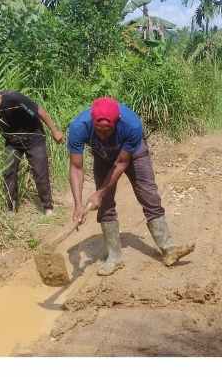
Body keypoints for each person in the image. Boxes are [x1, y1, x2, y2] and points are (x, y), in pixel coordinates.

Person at [67, 96, 194, 275]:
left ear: (117, 122)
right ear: (92, 123)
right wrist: (78, 205)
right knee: (105, 206)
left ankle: (169, 249)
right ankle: (115, 257)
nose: (103, 135)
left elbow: (121, 162)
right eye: (99, 131)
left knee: (149, 196)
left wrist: (100, 192)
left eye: (107, 130)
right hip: (102, 156)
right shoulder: (78, 127)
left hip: (133, 155)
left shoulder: (131, 124)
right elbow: (76, 167)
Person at [0, 77, 64, 215]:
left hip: (34, 136)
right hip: (12, 142)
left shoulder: (13, 98)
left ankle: (47, 207)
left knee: (40, 173)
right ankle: (11, 209)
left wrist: (55, 131)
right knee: (8, 172)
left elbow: (40, 111)